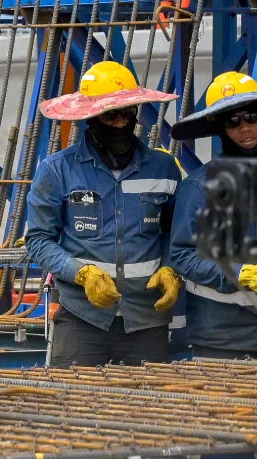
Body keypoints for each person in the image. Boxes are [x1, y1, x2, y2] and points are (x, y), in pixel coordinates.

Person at [26, 61, 185, 367]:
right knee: (70, 406)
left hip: (146, 321)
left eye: (127, 113)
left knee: (152, 410)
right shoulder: (57, 171)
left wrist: (170, 267)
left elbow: (176, 234)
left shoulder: (163, 168)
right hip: (82, 318)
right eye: (111, 115)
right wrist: (79, 272)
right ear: (91, 117)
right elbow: (39, 240)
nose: (120, 123)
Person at [167, 72, 257, 359]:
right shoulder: (198, 188)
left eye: (252, 118)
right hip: (222, 338)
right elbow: (182, 255)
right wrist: (240, 273)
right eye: (233, 122)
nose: (245, 128)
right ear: (220, 129)